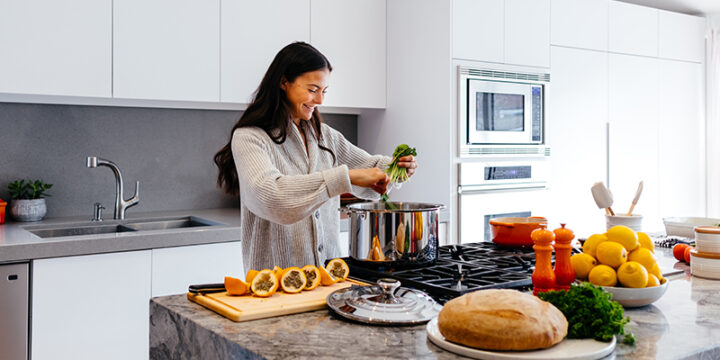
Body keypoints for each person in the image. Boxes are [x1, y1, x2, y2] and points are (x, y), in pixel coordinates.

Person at [214, 42, 417, 271]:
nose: (320, 100)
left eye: (324, 91)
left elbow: (369, 168)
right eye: (312, 90)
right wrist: (345, 177)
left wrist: (397, 168)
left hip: (329, 278)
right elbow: (271, 197)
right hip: (274, 284)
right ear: (283, 83)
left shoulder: (325, 136)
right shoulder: (250, 137)